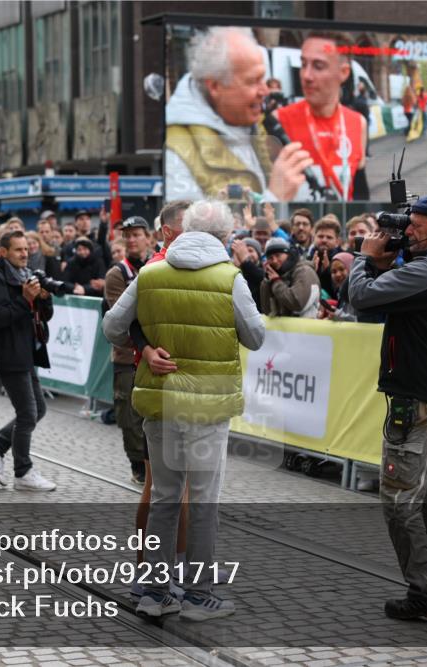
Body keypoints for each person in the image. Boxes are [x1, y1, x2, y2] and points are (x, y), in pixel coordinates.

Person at [102, 200, 265, 621]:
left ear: (183, 230)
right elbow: (255, 337)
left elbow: (112, 327)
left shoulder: (151, 273)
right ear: (225, 236)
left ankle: (156, 592)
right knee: (205, 500)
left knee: (164, 497)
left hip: (162, 399)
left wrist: (147, 344)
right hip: (210, 405)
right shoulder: (230, 278)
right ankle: (199, 595)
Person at [348, 193, 427, 620]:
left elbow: (363, 298)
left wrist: (364, 258)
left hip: (420, 401)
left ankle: (426, 591)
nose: (407, 233)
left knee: (400, 499)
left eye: (417, 227)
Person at [165, 27, 313, 202]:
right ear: (214, 86)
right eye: (252, 81)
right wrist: (274, 199)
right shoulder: (175, 152)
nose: (265, 91)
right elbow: (188, 227)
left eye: (263, 79)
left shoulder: (257, 124)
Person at [0, 231, 57, 491]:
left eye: (26, 249)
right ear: (3, 253)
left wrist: (44, 299)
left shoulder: (25, 275)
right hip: (9, 354)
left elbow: (44, 315)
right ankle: (23, 472)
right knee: (27, 413)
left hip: (26, 352)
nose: (24, 254)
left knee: (39, 410)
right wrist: (25, 300)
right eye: (18, 250)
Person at [275, 31, 370, 200]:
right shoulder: (279, 120)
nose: (306, 76)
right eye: (303, 64)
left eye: (318, 66)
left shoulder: (358, 123)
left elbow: (361, 193)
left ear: (344, 72)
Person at [103, 216, 156, 484]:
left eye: (137, 234)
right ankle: (139, 466)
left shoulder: (159, 266)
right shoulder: (117, 274)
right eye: (128, 235)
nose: (132, 239)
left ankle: (154, 462)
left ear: (148, 237)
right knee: (129, 415)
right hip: (127, 355)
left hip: (155, 354)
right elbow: (124, 318)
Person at [259, 237, 320, 318]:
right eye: (270, 258)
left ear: (288, 254)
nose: (274, 261)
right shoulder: (273, 276)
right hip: (284, 330)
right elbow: (267, 311)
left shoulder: (304, 271)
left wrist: (277, 282)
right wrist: (267, 282)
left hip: (306, 329)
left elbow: (297, 303)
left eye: (278, 255)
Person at [310, 217, 342, 293]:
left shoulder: (343, 261)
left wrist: (328, 271)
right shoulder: (306, 259)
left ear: (337, 241)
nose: (324, 240)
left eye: (329, 237)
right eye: (320, 236)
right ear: (314, 238)